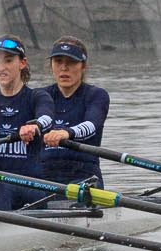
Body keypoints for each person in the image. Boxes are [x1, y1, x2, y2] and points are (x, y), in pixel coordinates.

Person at [0, 35, 50, 210]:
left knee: (2, 188)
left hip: (31, 187)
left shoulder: (38, 97)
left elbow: (47, 118)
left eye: (8, 60)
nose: (1, 68)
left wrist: (35, 125)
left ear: (22, 63)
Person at [38, 36, 109, 186]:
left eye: (71, 62)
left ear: (83, 66)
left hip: (85, 175)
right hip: (43, 176)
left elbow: (92, 125)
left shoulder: (96, 95)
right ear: (51, 65)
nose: (64, 68)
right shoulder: (39, 96)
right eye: (58, 62)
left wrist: (66, 133)